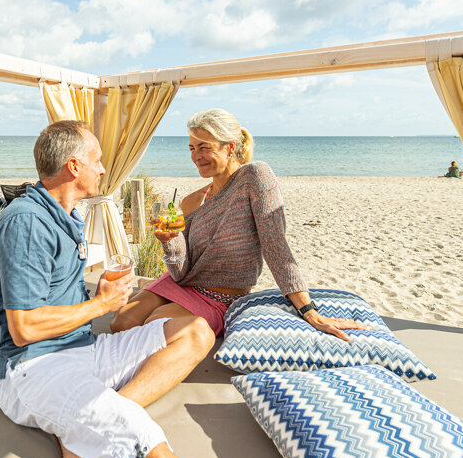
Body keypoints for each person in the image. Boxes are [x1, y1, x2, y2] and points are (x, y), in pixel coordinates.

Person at [0, 120, 222, 458]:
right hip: (33, 366)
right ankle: (90, 426)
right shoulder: (28, 223)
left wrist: (100, 296)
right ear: (74, 166)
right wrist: (100, 305)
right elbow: (24, 328)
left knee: (195, 331)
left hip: (82, 349)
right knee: (147, 450)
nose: (103, 168)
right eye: (97, 160)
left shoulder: (66, 216)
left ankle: (81, 433)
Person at [111, 108, 368, 341]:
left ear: (230, 147)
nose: (196, 156)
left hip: (221, 297)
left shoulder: (254, 177)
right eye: (191, 148)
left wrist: (309, 310)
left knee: (153, 327)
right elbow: (180, 272)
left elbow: (276, 246)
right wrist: (171, 242)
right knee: (121, 323)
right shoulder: (190, 202)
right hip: (179, 282)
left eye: (204, 147)